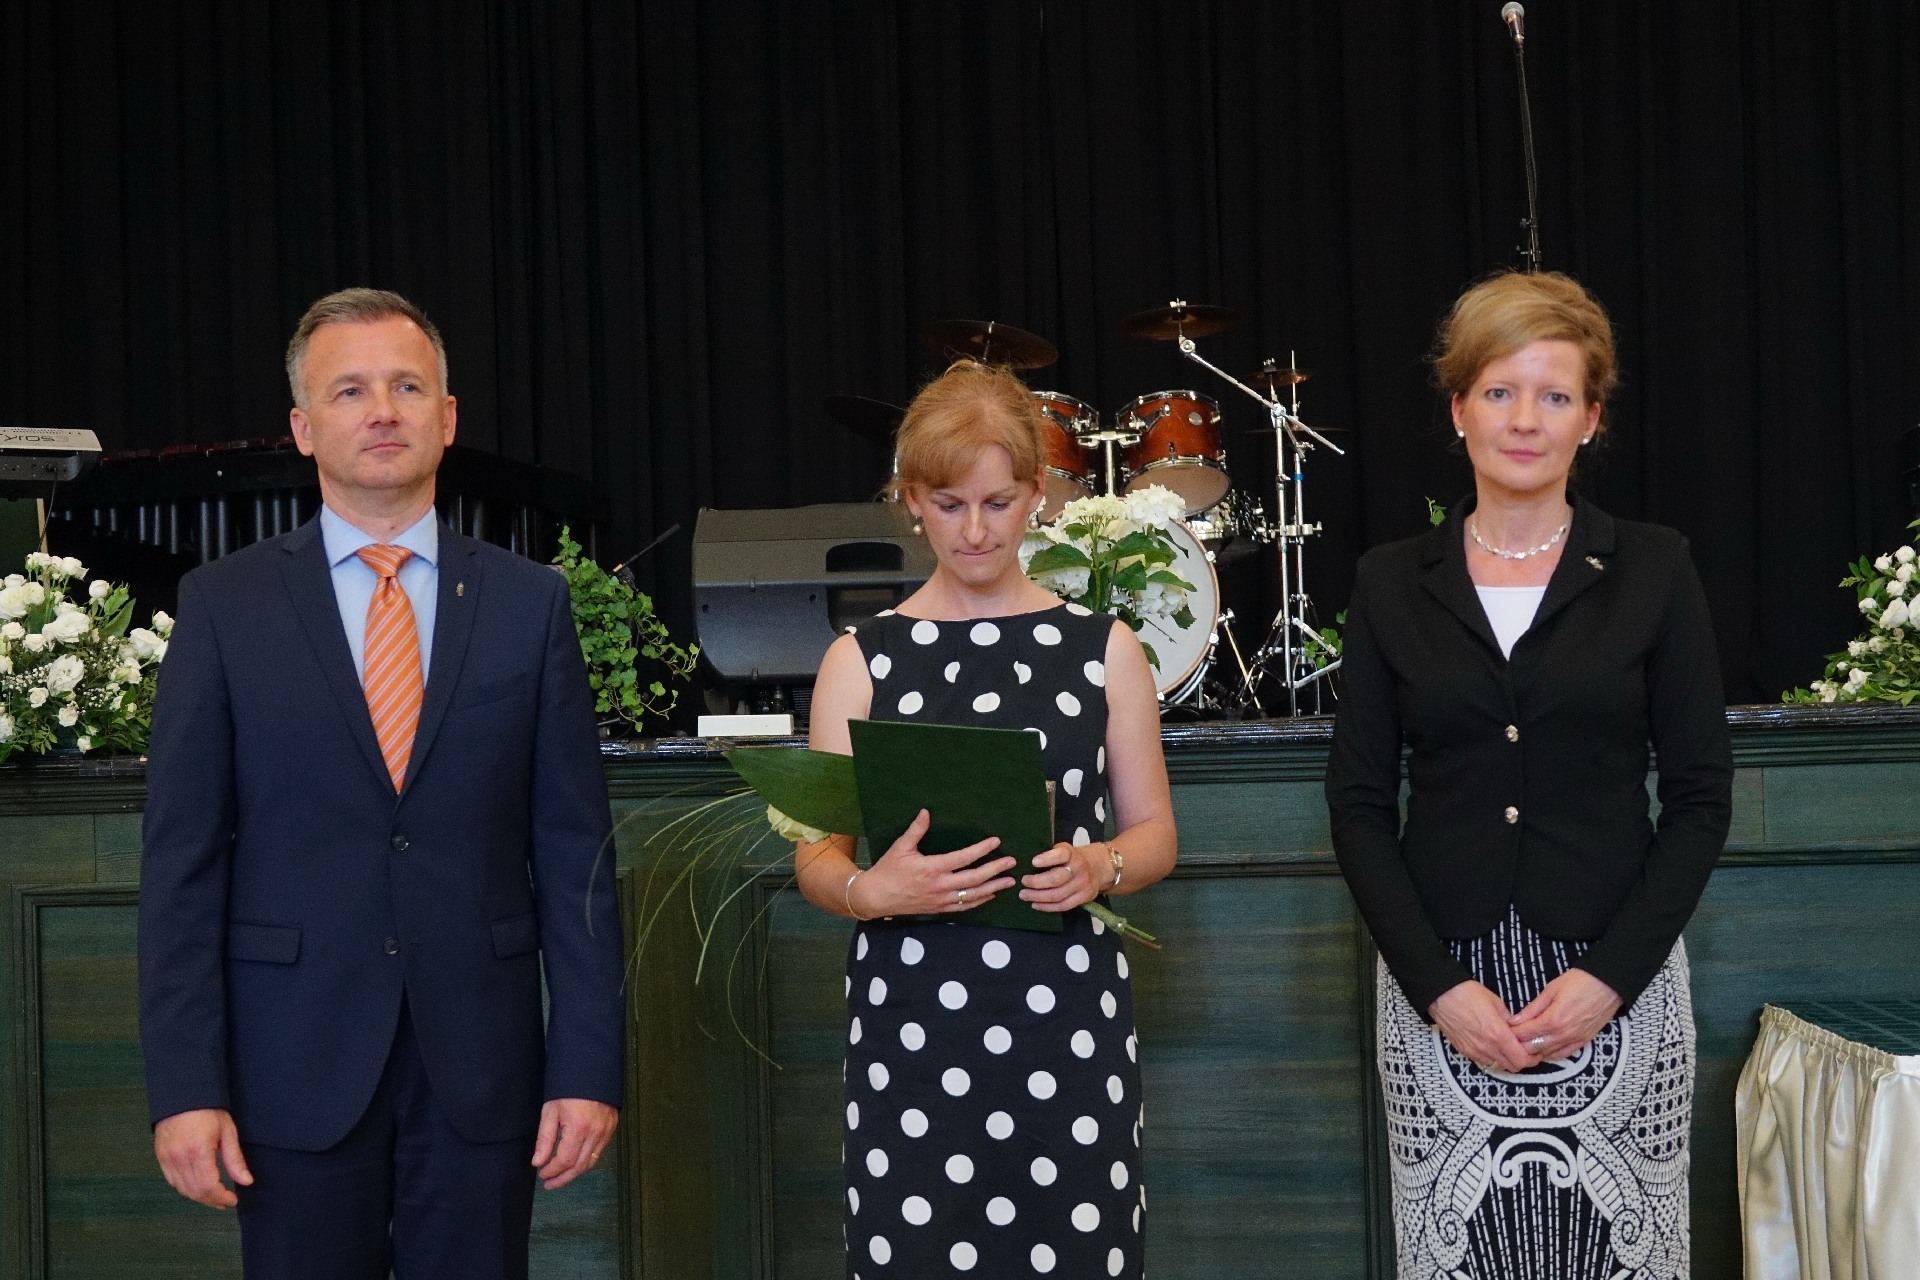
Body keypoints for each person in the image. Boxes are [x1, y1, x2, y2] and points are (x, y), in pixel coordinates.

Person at [137, 288, 625, 1280]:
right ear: (303, 427)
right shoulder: (224, 607)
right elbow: (181, 868)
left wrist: (587, 1065)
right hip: (289, 1068)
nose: (382, 411)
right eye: (350, 390)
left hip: (482, 1069)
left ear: (447, 416)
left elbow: (577, 854)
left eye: (407, 386)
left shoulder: (530, 604)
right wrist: (186, 1085)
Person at [1325, 271, 1733, 1280]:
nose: (1523, 420)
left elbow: (1699, 799)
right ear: (1458, 407)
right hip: (1444, 988)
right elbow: (1360, 804)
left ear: (1590, 420)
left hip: (1614, 980)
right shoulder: (1390, 580)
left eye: (1554, 396)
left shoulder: (1654, 567)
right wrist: (1437, 988)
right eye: (1500, 391)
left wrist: (1609, 979)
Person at [795, 360, 1177, 1279]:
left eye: (999, 503)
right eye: (950, 504)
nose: (975, 530)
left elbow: (1155, 834)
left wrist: (1099, 867)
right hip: (913, 1025)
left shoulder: (1105, 649)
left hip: (1066, 1016)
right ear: (911, 501)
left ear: (1039, 495)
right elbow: (816, 858)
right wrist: (869, 890)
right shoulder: (860, 660)